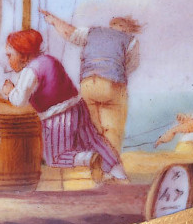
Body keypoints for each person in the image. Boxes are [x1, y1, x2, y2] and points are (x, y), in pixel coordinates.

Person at [0, 29, 128, 182]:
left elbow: (19, 101)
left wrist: (10, 91)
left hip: (58, 117)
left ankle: (89, 158)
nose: (8, 60)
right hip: (78, 108)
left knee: (55, 157)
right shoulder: (49, 60)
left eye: (10, 55)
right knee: (93, 141)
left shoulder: (30, 71)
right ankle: (118, 172)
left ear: (24, 56)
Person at [41, 10, 141, 154]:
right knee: (112, 129)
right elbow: (132, 65)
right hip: (112, 85)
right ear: (126, 29)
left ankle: (93, 161)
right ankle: (111, 163)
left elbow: (69, 33)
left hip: (88, 84)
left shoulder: (91, 32)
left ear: (112, 25)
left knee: (92, 129)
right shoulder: (130, 40)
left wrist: (54, 20)